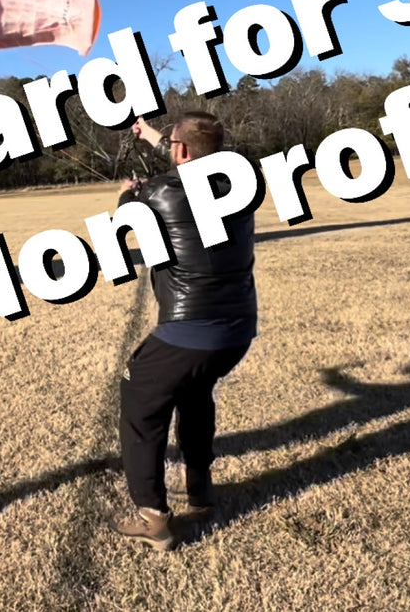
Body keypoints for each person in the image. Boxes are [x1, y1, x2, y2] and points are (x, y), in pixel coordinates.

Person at [110, 111, 257, 551]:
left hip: (187, 330)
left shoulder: (158, 192)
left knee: (139, 400)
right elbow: (191, 160)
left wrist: (127, 194)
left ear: (183, 150)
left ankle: (152, 517)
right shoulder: (240, 183)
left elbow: (127, 221)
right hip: (237, 331)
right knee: (194, 393)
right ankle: (200, 491)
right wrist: (151, 135)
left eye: (173, 143)